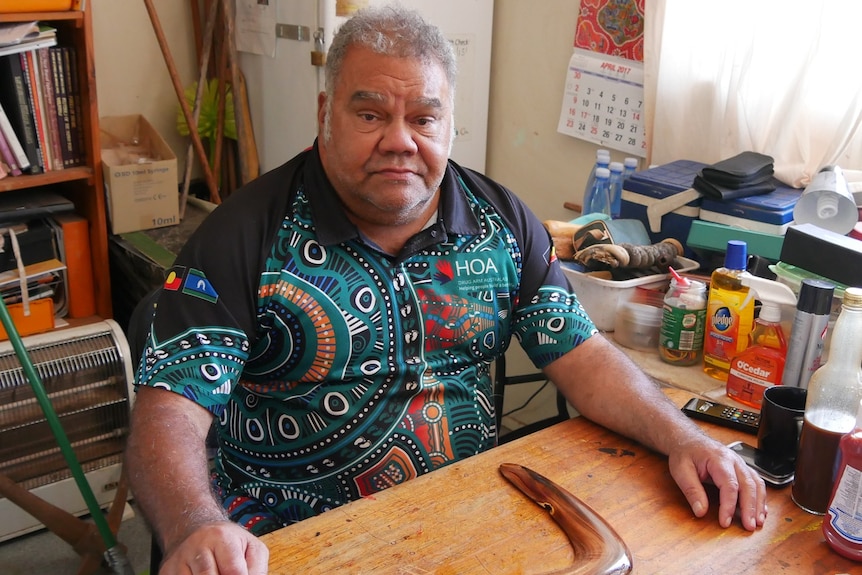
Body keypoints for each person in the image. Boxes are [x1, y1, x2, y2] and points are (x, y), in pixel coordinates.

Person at [125, 5, 767, 574]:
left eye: (424, 119)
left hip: (468, 525)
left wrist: (685, 437)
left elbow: (584, 356)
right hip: (290, 541)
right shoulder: (243, 235)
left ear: (449, 125)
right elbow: (169, 410)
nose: (400, 141)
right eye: (370, 113)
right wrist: (193, 526)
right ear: (325, 114)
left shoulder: (502, 222)